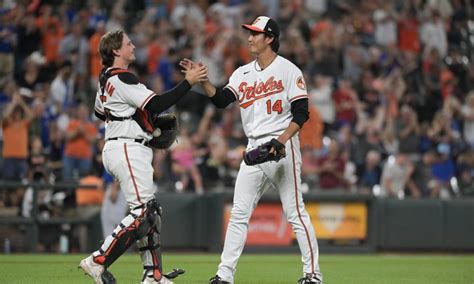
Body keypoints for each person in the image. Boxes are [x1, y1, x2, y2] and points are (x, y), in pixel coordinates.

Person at [181, 16, 323, 284]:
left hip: (283, 145)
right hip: (254, 147)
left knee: (294, 212)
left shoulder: (289, 70)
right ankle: (224, 275)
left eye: (255, 33)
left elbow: (301, 114)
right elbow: (222, 100)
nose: (249, 37)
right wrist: (203, 82)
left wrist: (280, 142)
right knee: (238, 214)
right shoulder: (242, 72)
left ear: (269, 38)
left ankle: (313, 274)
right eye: (249, 32)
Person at [78, 30, 207, 284]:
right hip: (127, 147)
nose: (133, 46)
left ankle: (153, 275)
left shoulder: (105, 78)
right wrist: (188, 82)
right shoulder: (122, 77)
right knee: (143, 213)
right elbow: (157, 104)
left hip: (122, 144)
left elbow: (98, 112)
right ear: (116, 51)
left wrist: (139, 120)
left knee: (151, 212)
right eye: (128, 43)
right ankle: (97, 260)